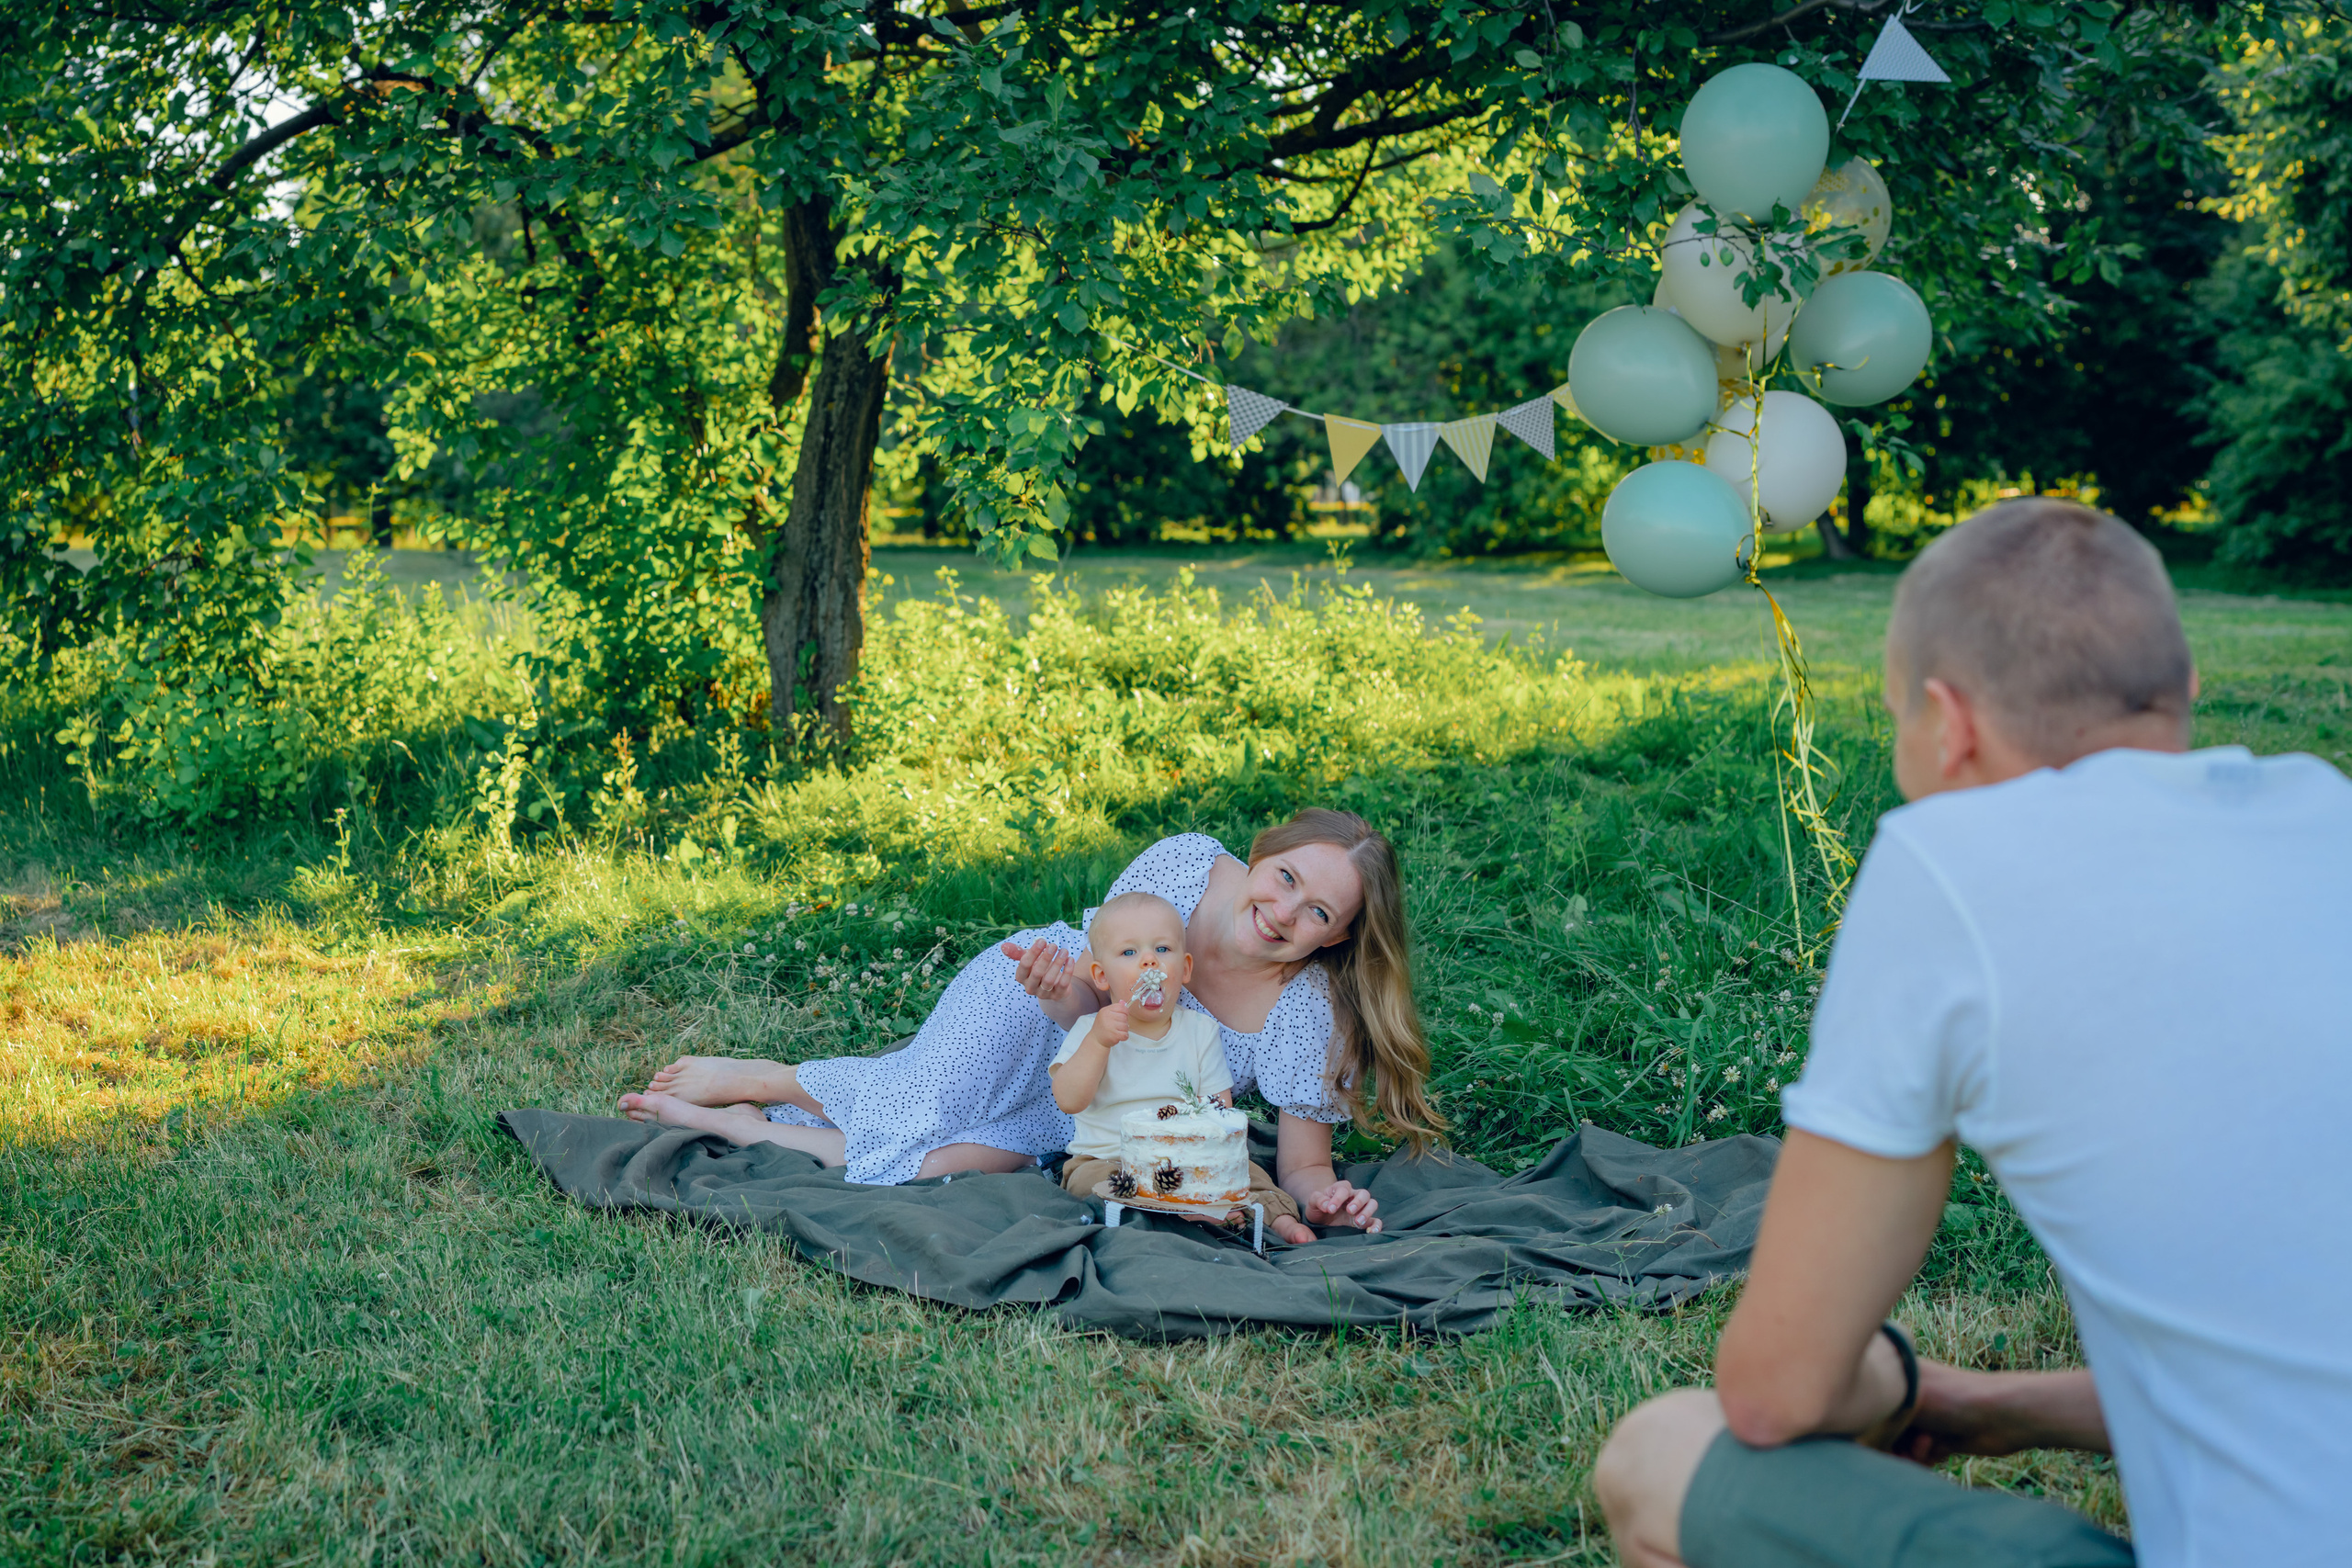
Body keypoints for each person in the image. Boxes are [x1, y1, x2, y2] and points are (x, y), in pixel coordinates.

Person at [1592, 498, 2352, 1567]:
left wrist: (1897, 1381)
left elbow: (1775, 1395)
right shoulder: (2327, 814)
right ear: (2183, 690)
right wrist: (1989, 1407)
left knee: (1664, 1451)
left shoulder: (1951, 860)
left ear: (1946, 722)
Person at [620, 808, 1443, 1236]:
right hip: (1035, 993)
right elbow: (1087, 1000)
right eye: (1287, 875)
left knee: (942, 1163)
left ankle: (755, 1128)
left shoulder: (1309, 1016)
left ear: (1338, 935)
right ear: (1265, 853)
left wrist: (1323, 1198)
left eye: (1317, 910)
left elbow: (1302, 1162)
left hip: (1085, 1100)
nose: (1284, 909)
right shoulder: (1189, 865)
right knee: (926, 1100)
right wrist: (1061, 993)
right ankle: (773, 1079)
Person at [1046, 890, 1311, 1243]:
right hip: (1111, 1158)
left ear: (1184, 969)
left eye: (1162, 950)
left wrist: (1208, 1165)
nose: (1149, 963)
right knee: (1090, 1183)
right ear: (1101, 975)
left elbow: (1219, 1110)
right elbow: (1068, 1099)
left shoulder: (1200, 1032)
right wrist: (1098, 1043)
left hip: (1187, 1157)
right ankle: (1177, 1216)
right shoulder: (1089, 1030)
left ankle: (1280, 1220)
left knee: (1247, 1173)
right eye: (1129, 952)